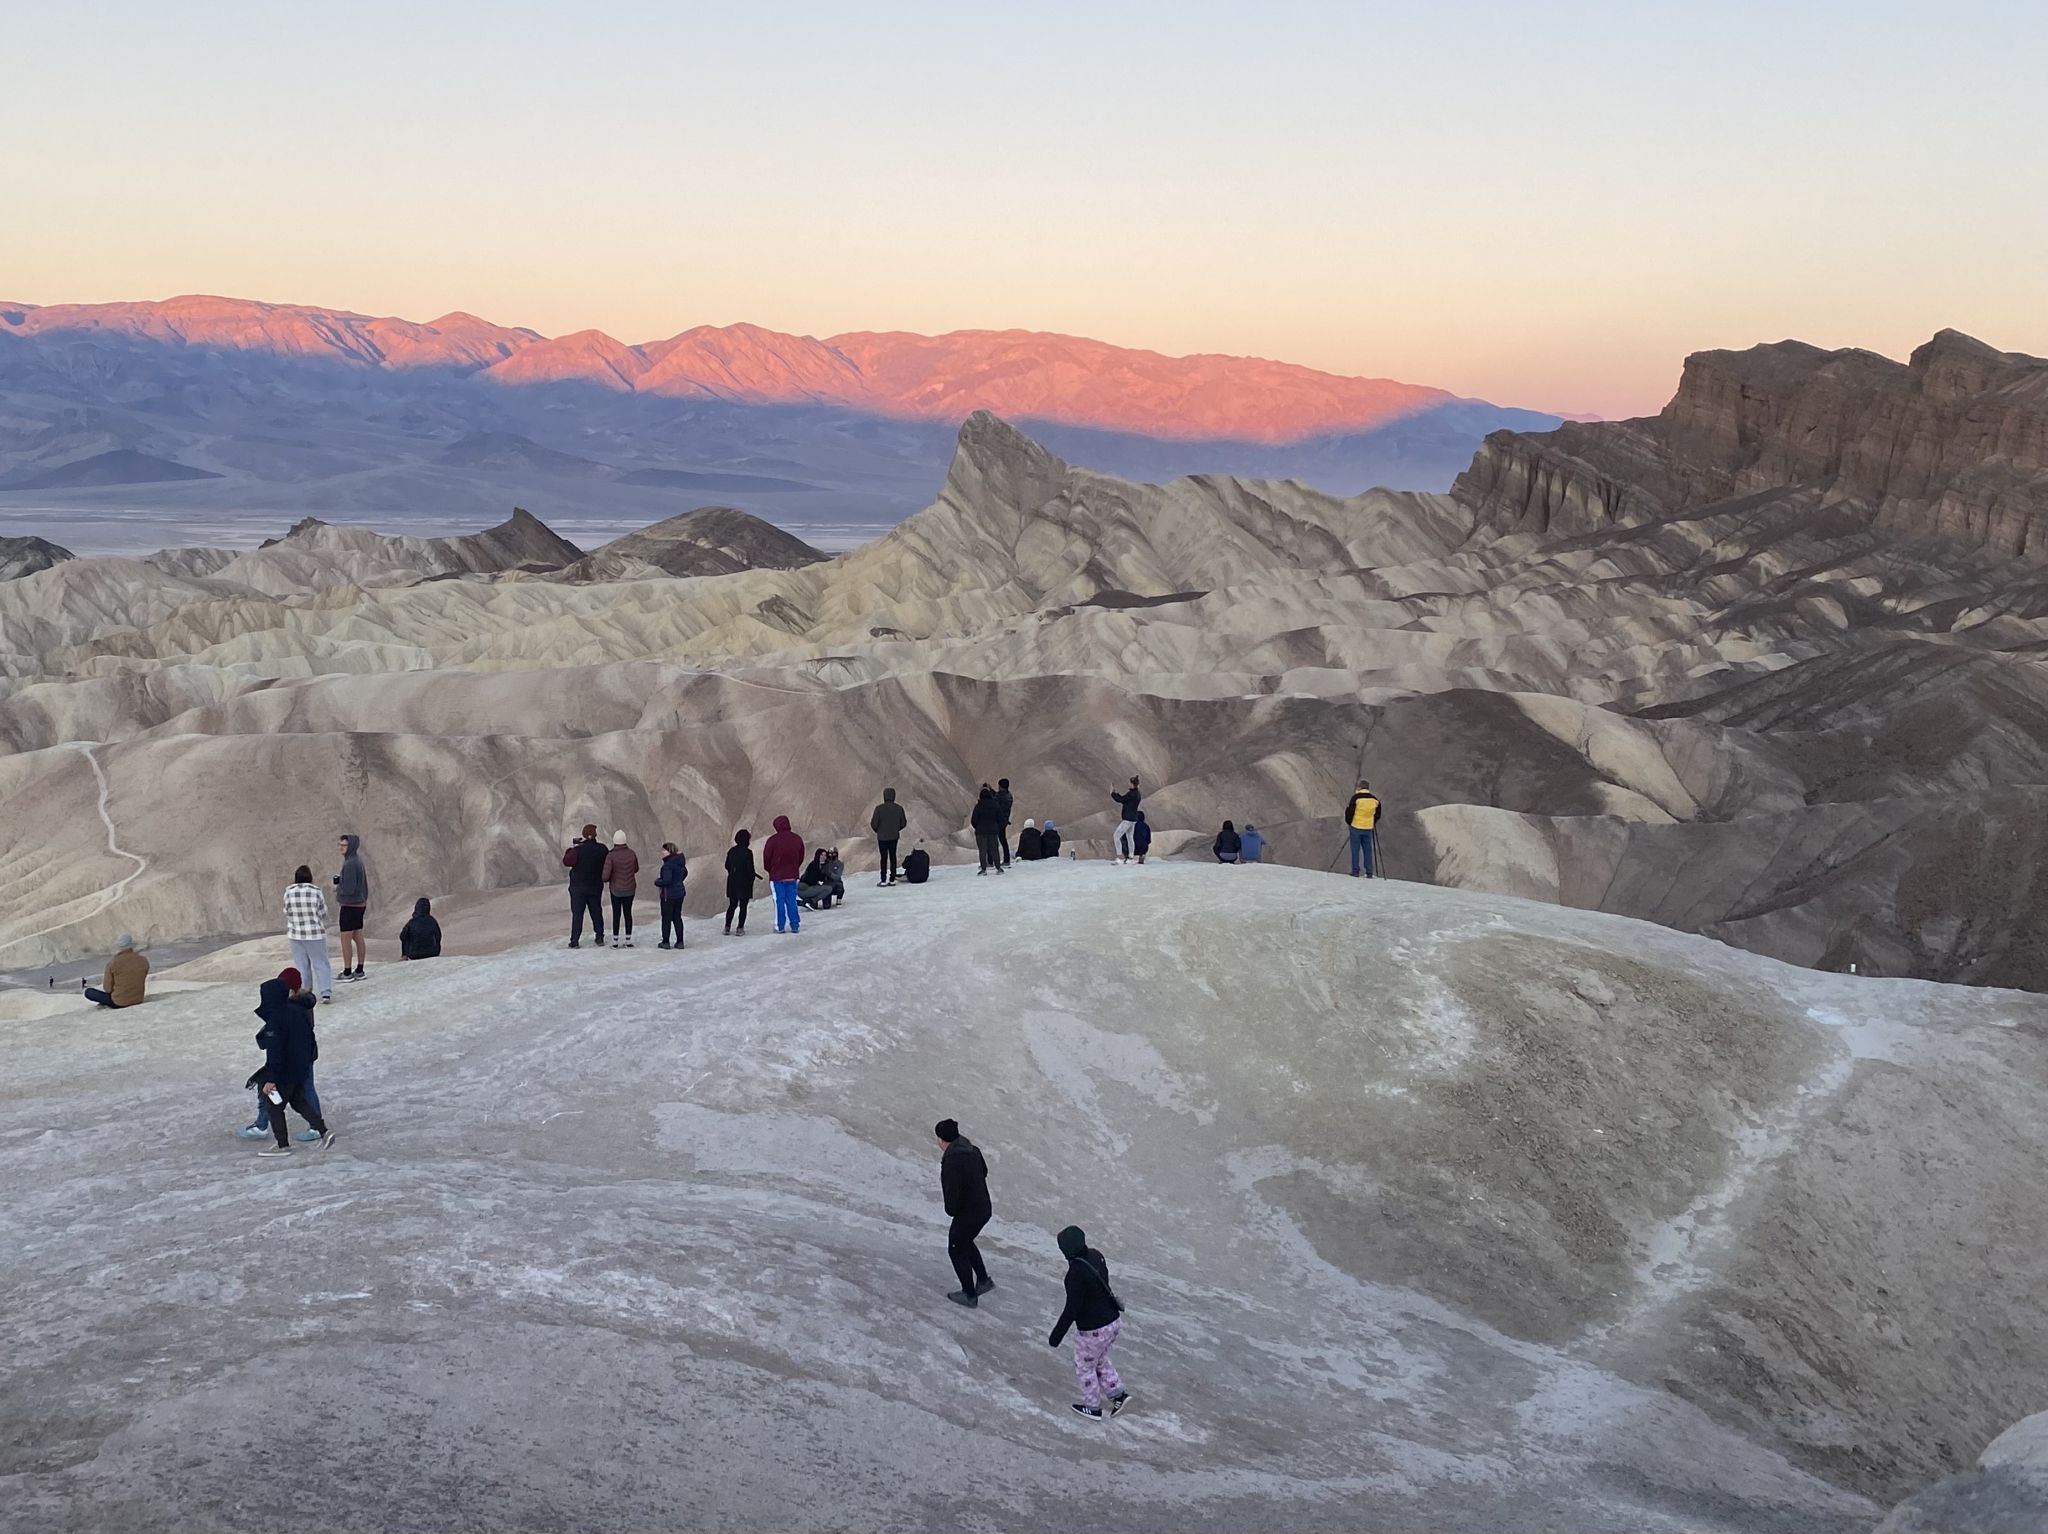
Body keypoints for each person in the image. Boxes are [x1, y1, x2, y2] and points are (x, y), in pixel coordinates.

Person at [247, 967, 335, 1155]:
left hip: (284, 1072)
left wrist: (271, 1079)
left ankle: (282, 1146)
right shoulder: (296, 1011)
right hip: (300, 1066)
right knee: (299, 1101)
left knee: (274, 1107)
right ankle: (324, 1131)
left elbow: (275, 1052)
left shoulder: (275, 1020)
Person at [1048, 1225, 1127, 1419]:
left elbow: (1072, 1309)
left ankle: (1092, 1406)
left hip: (1094, 1330)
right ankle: (1118, 1394)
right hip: (1112, 1322)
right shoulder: (1096, 1255)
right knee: (1099, 1359)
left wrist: (1056, 1335)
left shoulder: (1074, 1274)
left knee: (1085, 1366)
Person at [936, 1118, 993, 1307]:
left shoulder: (951, 1161)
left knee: (956, 1247)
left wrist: (951, 1210)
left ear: (943, 1140)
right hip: (984, 1207)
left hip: (968, 1213)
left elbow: (951, 1193)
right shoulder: (972, 1150)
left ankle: (969, 1294)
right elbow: (984, 1171)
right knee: (965, 1241)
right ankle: (983, 1280)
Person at [283, 865, 335, 1001]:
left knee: (301, 965)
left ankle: (305, 991)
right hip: (314, 934)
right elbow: (323, 913)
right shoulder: (316, 891)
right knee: (321, 963)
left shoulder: (288, 892)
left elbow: (286, 911)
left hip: (295, 934)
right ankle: (326, 992)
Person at [563, 824, 608, 948]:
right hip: (595, 886)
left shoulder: (577, 850)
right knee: (596, 912)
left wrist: (571, 849)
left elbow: (567, 861)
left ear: (583, 835)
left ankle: (575, 940)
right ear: (595, 835)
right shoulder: (602, 849)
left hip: (578, 887)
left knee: (577, 914)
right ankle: (599, 937)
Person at [334, 833, 370, 982]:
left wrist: (338, 885)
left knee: (345, 938)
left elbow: (349, 888)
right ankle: (360, 969)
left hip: (350, 905)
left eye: (344, 845)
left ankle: (347, 972)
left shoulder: (349, 864)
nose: (341, 847)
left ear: (351, 846)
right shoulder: (357, 860)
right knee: (358, 936)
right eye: (340, 844)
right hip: (360, 904)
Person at [762, 815, 805, 934]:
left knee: (779, 900)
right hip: (792, 875)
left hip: (777, 876)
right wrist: (794, 867)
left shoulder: (772, 840)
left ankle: (780, 926)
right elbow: (801, 856)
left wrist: (770, 870)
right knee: (791, 900)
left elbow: (766, 858)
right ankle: (795, 924)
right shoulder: (797, 839)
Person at [82, 934, 148, 1008]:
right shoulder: (143, 960)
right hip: (138, 999)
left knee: (88, 992)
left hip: (119, 1002)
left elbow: (107, 988)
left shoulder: (113, 963)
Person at [602, 830, 641, 947]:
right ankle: (628, 940)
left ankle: (615, 940)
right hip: (630, 888)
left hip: (616, 890)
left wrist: (608, 879)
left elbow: (605, 876)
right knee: (628, 913)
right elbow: (636, 869)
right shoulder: (632, 853)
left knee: (616, 913)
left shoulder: (611, 855)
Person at [723, 829, 761, 935]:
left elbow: (727, 865)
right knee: (743, 906)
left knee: (732, 905)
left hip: (732, 881)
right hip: (744, 882)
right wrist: (751, 879)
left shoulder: (731, 851)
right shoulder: (748, 853)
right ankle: (740, 928)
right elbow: (750, 868)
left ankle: (727, 927)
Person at [1345, 780, 1383, 878]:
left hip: (1356, 826)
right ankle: (1369, 872)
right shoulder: (1375, 800)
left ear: (1360, 787)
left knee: (1355, 849)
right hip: (1368, 828)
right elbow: (1378, 814)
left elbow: (1350, 812)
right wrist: (1372, 822)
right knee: (1368, 850)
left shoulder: (1356, 798)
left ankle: (1355, 871)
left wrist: (1350, 822)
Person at [870, 788, 908, 887]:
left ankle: (883, 879)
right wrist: (896, 829)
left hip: (882, 837)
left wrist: (879, 831)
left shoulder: (879, 809)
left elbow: (874, 824)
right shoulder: (899, 808)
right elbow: (903, 823)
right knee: (893, 856)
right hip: (894, 836)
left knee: (883, 858)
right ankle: (892, 879)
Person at [655, 842, 688, 949]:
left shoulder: (667, 865)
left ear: (669, 851)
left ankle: (665, 942)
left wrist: (658, 882)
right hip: (679, 893)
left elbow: (667, 880)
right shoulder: (680, 862)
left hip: (668, 895)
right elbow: (685, 873)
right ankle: (680, 941)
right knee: (677, 917)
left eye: (664, 850)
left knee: (666, 918)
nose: (662, 852)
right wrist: (678, 881)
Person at [971, 785, 1005, 875]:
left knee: (982, 851)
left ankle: (983, 869)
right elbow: (1001, 819)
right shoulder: (995, 805)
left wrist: (978, 827)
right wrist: (997, 828)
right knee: (994, 850)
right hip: (993, 831)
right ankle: (998, 867)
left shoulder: (978, 806)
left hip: (981, 832)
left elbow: (973, 820)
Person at [1111, 777, 1142, 863]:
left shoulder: (1131, 794)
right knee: (1130, 837)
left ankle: (1119, 857)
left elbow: (1121, 799)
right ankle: (1131, 857)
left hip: (1127, 819)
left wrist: (1113, 793)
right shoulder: (1137, 794)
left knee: (1116, 835)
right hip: (1133, 819)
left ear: (1132, 783)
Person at [995, 778, 1015, 866]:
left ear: (1001, 787)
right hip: (1004, 820)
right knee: (1003, 840)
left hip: (999, 821)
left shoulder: (1001, 796)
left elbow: (994, 799)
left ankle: (993, 861)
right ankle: (1006, 859)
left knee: (995, 840)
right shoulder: (1008, 795)